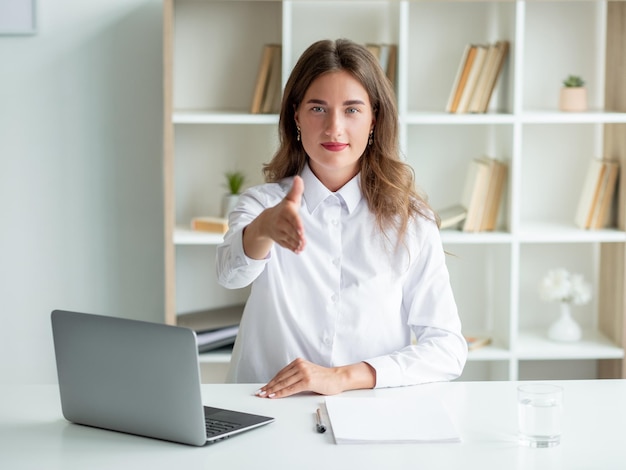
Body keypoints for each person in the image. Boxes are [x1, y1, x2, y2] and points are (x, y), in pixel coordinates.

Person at [216, 38, 467, 399]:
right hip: (264, 411)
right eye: (318, 109)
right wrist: (264, 230)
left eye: (352, 110)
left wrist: (345, 377)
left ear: (373, 120)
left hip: (368, 413)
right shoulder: (262, 204)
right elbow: (230, 274)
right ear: (296, 116)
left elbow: (447, 349)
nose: (334, 128)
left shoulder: (412, 223)